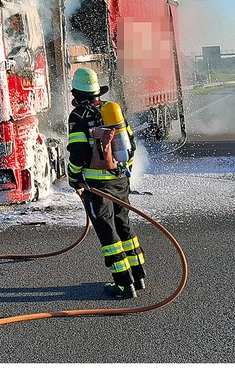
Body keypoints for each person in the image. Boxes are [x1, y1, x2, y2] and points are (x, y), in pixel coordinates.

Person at [66, 67, 147, 299]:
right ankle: (138, 277)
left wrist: (73, 177)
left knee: (108, 234)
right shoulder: (112, 110)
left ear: (77, 94)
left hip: (96, 186)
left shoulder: (78, 116)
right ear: (96, 93)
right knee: (124, 226)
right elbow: (130, 143)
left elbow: (78, 153)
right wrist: (125, 170)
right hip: (120, 180)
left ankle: (123, 284)